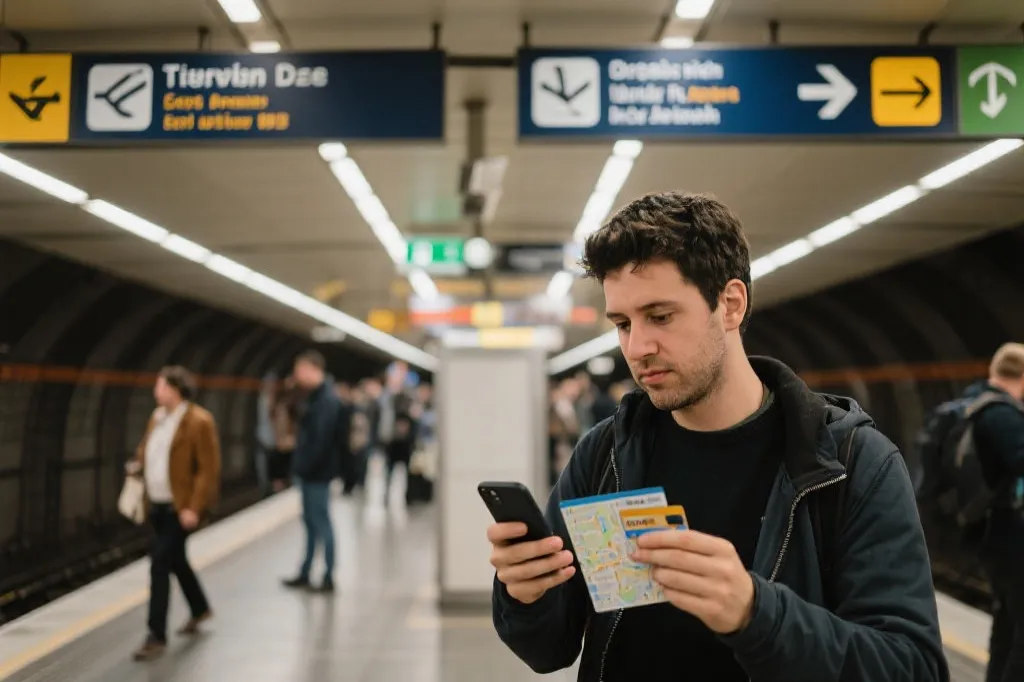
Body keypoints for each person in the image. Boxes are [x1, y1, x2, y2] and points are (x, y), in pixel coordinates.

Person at [487, 192, 948, 682]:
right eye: (622, 324)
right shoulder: (606, 455)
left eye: (660, 316)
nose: (637, 347)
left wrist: (756, 614)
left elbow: (911, 665)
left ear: (730, 304)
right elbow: (548, 649)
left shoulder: (850, 463)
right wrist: (525, 594)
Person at [130, 366, 221, 661]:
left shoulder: (199, 421)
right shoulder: (157, 418)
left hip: (178, 508)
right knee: (177, 560)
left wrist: (194, 508)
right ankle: (199, 608)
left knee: (159, 563)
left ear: (174, 389)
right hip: (156, 503)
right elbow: (148, 450)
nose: (156, 391)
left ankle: (155, 634)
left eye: (160, 386)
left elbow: (208, 469)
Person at [969, 343, 1024, 682]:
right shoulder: (1001, 415)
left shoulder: (976, 403)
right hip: (1010, 538)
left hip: (991, 533)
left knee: (1006, 623)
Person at [282, 350, 344, 593]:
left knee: (321, 522)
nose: (296, 375)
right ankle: (306, 571)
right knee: (310, 522)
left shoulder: (326, 399)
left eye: (299, 370)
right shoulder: (315, 396)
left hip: (317, 473)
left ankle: (328, 575)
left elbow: (320, 440)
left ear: (312, 368)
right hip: (312, 472)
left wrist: (304, 467)